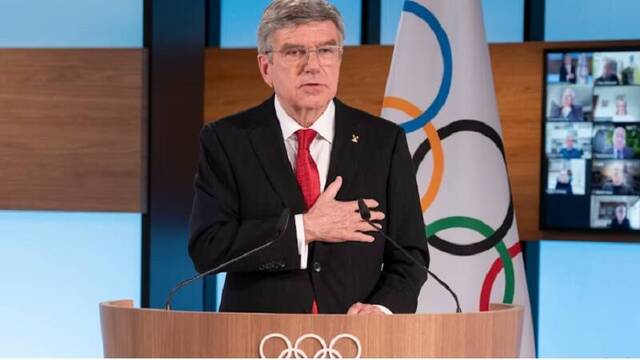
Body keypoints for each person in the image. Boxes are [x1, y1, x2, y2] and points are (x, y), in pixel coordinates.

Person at [188, 0, 428, 315]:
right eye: (294, 52)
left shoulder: (384, 142)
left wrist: (382, 308)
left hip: (356, 339)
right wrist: (306, 229)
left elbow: (410, 255)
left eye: (326, 51)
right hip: (255, 337)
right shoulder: (227, 140)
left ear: (339, 59)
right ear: (265, 67)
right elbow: (208, 248)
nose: (312, 65)